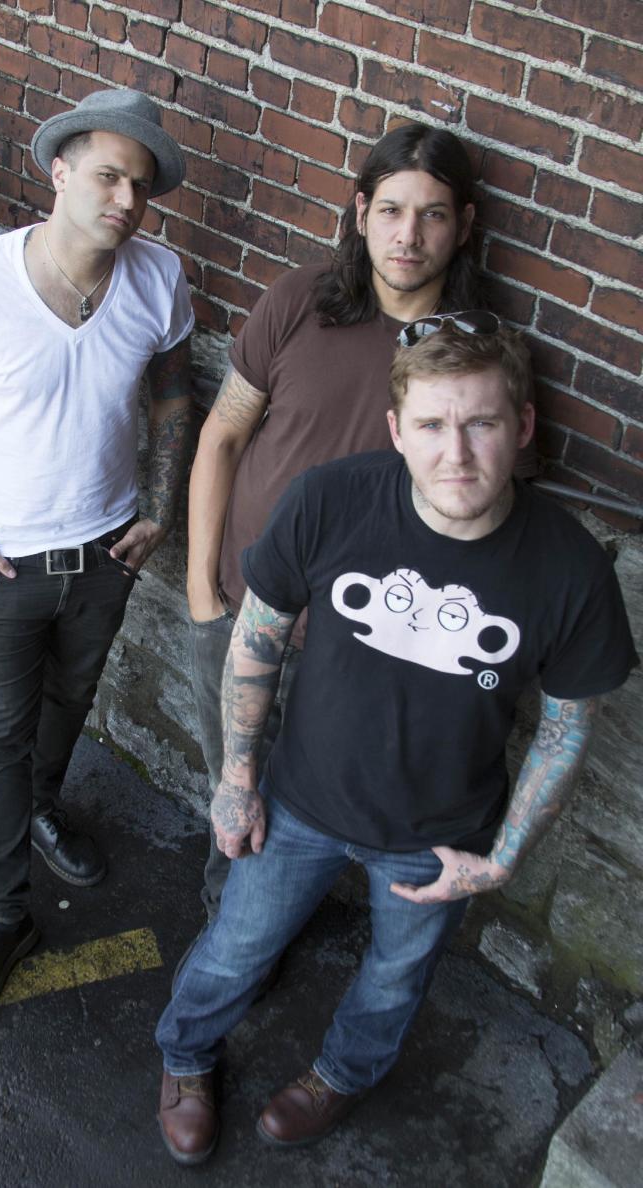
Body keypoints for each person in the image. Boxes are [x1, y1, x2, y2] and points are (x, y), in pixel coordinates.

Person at [154, 318, 637, 1165]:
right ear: (396, 431)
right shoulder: (331, 499)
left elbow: (567, 729)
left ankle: (339, 1075)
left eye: (482, 423)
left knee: (394, 978)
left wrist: (505, 857)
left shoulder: (571, 570)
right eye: (431, 425)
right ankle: (186, 1058)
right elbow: (256, 640)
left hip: (440, 836)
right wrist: (237, 775)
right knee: (234, 948)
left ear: (521, 428)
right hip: (301, 800)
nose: (457, 452)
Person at [184, 122, 541, 934]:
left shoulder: (481, 355)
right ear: (359, 213)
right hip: (246, 616)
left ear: (466, 225)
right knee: (234, 791)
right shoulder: (299, 301)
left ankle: (269, 922)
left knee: (308, 814)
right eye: (389, 210)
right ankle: (224, 927)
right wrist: (204, 591)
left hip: (371, 652)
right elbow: (223, 435)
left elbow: (488, 513)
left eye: (433, 215)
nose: (407, 236)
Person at [0, 88, 195, 1020]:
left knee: (70, 707)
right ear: (59, 173)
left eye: (140, 187)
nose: (126, 201)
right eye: (108, 176)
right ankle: (0, 918)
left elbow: (175, 395)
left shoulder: (158, 276)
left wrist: (162, 508)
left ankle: (47, 804)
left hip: (104, 555)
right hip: (1, 566)